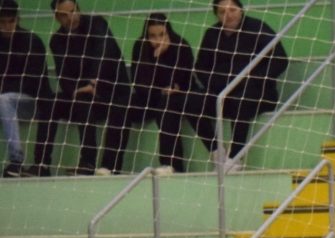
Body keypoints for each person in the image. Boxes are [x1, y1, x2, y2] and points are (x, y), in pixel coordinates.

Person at [36, 0, 132, 176]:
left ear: (78, 9)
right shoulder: (57, 40)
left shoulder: (97, 23)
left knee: (118, 107)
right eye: (64, 15)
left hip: (110, 90)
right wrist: (75, 90)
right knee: (51, 101)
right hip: (82, 93)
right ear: (57, 17)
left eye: (73, 11)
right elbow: (62, 74)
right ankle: (41, 165)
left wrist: (93, 82)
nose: (71, 17)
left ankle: (99, 164)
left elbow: (103, 53)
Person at [193, 0, 288, 169]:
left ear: (241, 10)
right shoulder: (212, 34)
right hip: (223, 94)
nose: (228, 15)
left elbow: (280, 60)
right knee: (189, 101)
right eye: (222, 12)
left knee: (241, 99)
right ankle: (216, 151)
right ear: (216, 14)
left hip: (258, 93)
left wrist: (253, 79)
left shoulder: (258, 28)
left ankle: (236, 157)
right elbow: (201, 67)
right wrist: (217, 84)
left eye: (232, 10)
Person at [128, 13, 197, 175]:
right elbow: (139, 82)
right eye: (152, 35)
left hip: (175, 98)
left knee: (166, 104)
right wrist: (155, 59)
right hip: (149, 97)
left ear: (168, 32)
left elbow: (182, 81)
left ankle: (172, 164)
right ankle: (109, 166)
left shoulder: (180, 46)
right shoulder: (140, 47)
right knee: (120, 106)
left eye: (161, 34)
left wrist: (162, 60)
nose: (157, 40)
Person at [0, 0, 54, 178]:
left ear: (18, 19)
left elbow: (33, 81)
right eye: (3, 22)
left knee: (4, 99)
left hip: (32, 101)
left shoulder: (32, 41)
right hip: (7, 100)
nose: (8, 26)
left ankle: (16, 161)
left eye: (11, 21)